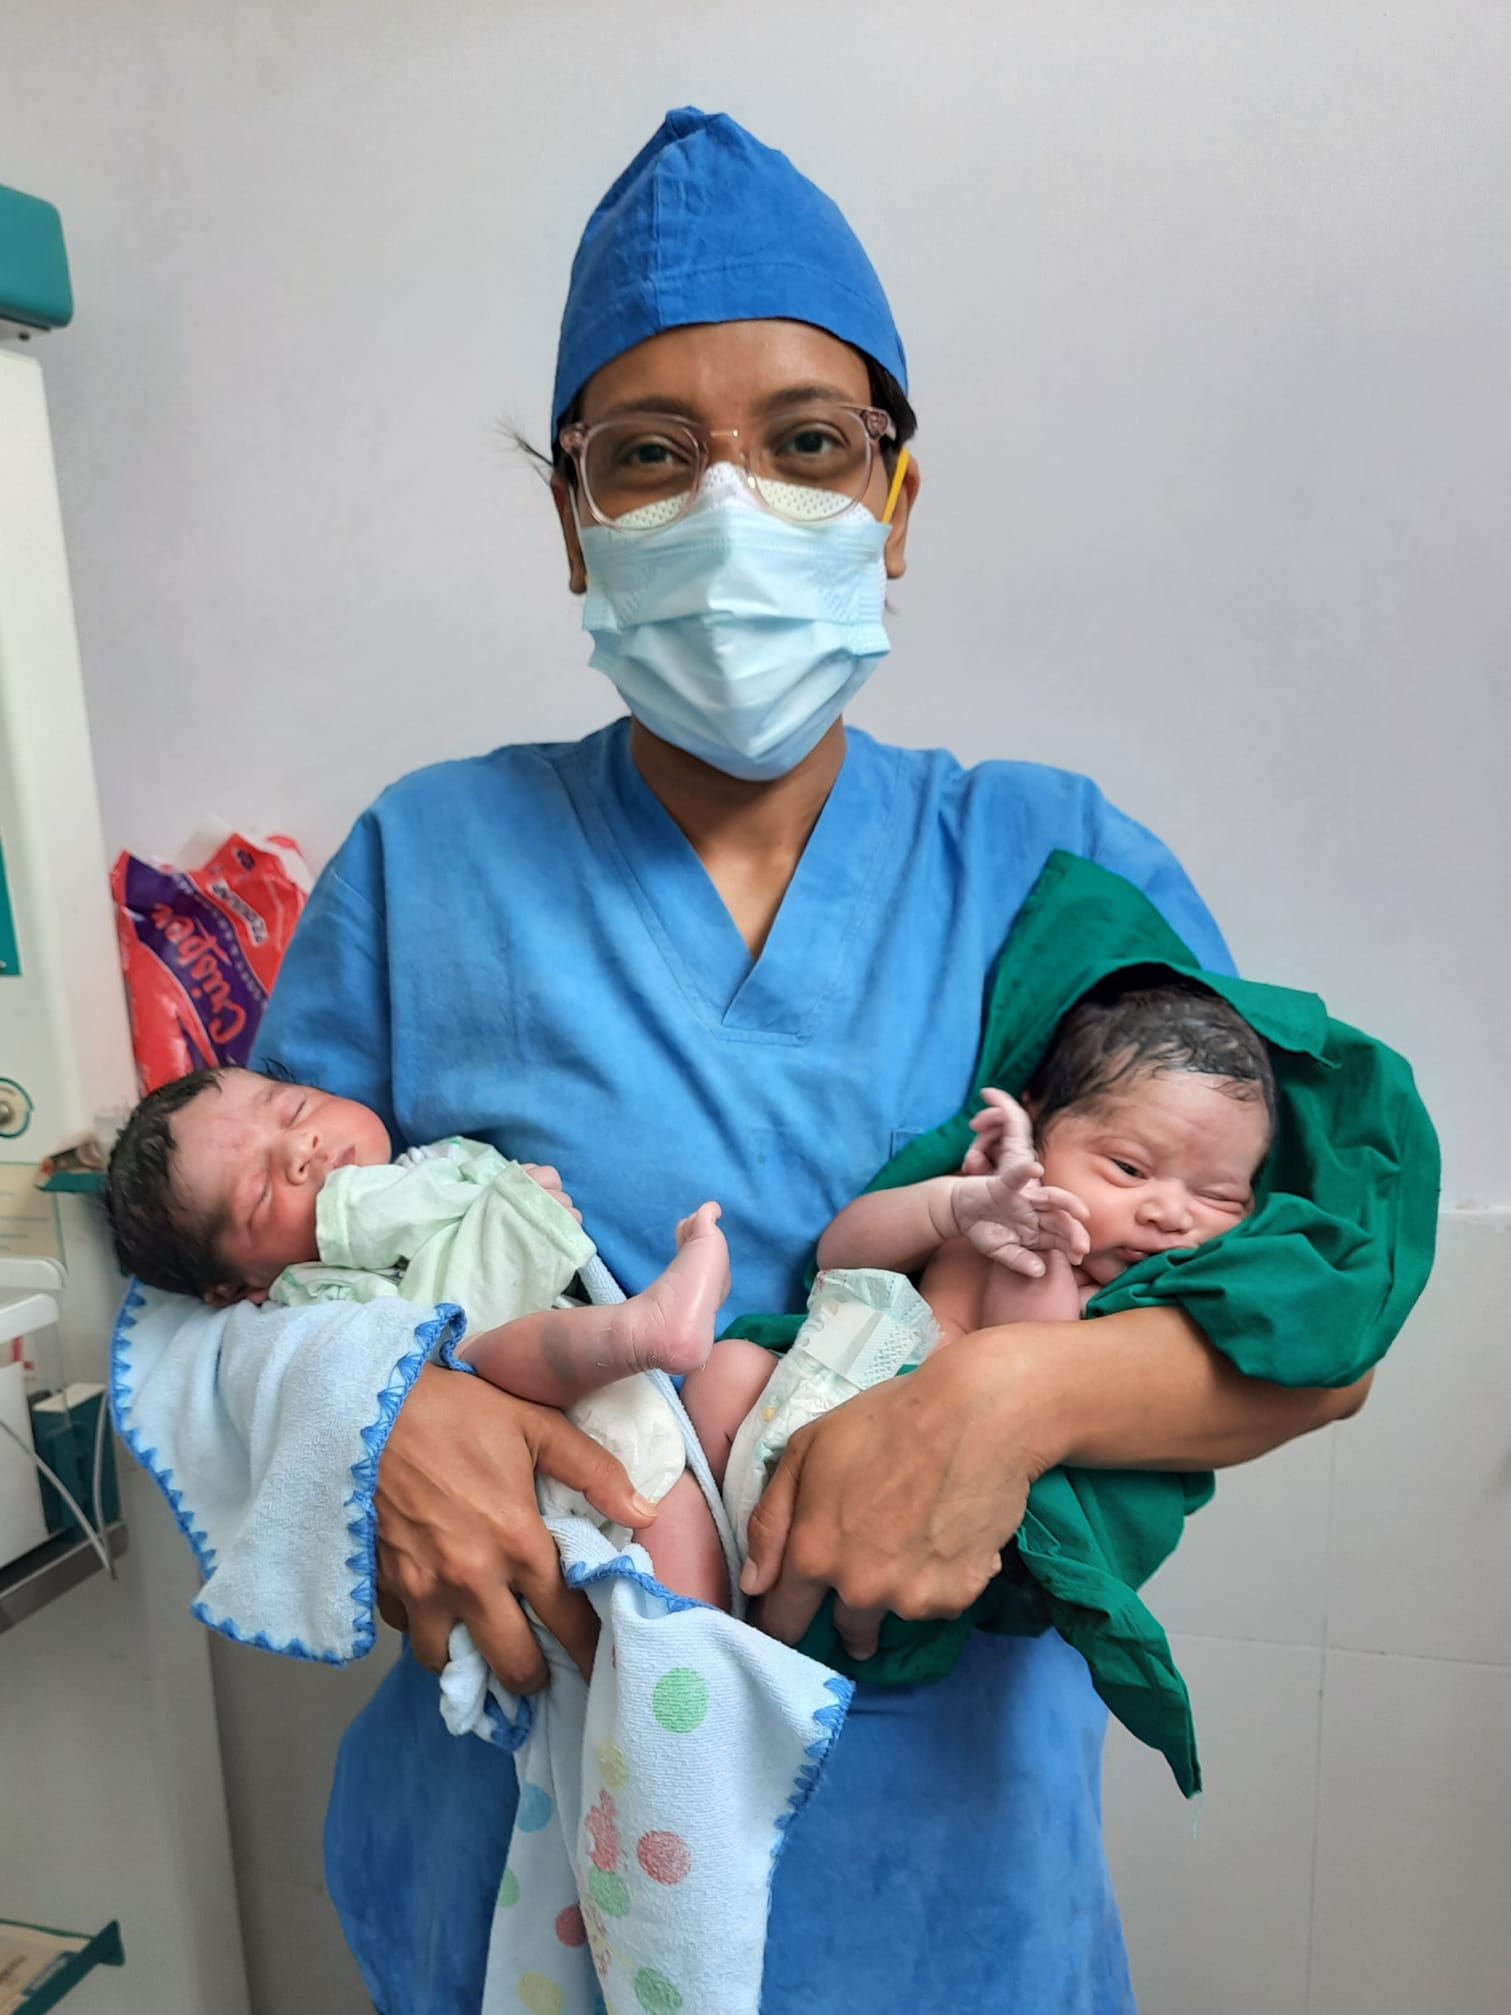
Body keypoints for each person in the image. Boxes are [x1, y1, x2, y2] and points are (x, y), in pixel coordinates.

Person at [113, 108, 1371, 2014]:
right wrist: (382, 1412)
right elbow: (206, 1298)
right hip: (514, 1878)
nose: (729, 505)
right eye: (647, 454)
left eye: (805, 444)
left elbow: (1311, 1332)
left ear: (896, 498)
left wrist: (1000, 1407)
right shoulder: (428, 862)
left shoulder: (1049, 865)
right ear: (572, 519)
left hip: (944, 1894)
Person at [686, 979, 1280, 1555]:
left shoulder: (1137, 1303)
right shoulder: (983, 1202)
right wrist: (947, 1207)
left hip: (921, 1473)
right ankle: (707, 1587)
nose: (1170, 1213)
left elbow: (1033, 1347)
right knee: (726, 1371)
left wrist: (1046, 1245)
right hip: (815, 1399)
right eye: (1128, 1169)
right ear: (1037, 1122)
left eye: (1219, 1197)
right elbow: (840, 1255)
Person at [104, 1065, 733, 1600]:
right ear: (239, 1287)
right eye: (261, 1191)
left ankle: (655, 1336)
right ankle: (639, 1332)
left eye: (293, 1109)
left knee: (731, 1388)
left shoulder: (438, 1163)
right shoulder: (309, 1300)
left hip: (647, 1414)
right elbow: (423, 1340)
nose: (299, 1149)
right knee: (478, 1351)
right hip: (521, 1485)